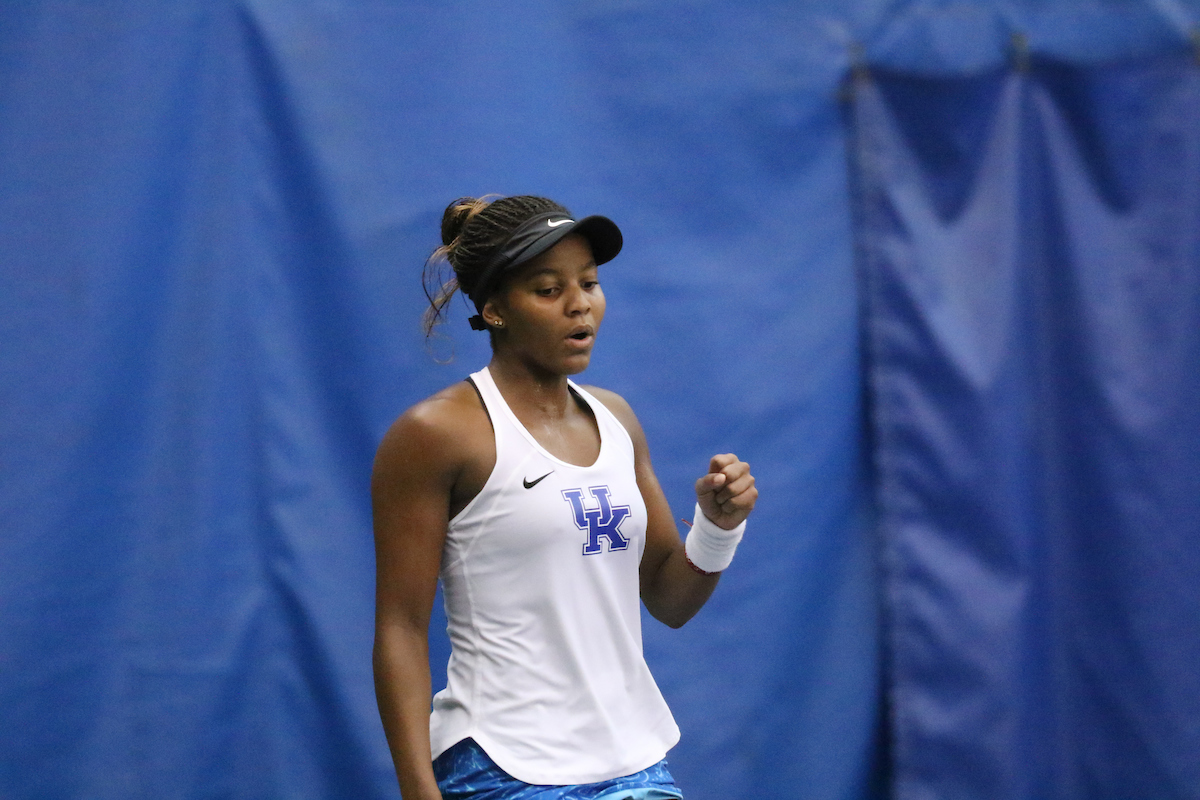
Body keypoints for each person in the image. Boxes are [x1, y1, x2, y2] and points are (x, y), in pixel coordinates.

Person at [371, 195, 758, 800]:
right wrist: (418, 790)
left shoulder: (617, 421)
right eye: (548, 290)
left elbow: (669, 598)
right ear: (495, 309)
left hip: (634, 764)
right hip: (499, 766)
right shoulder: (434, 435)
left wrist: (717, 526)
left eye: (590, 283)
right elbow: (400, 626)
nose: (580, 304)